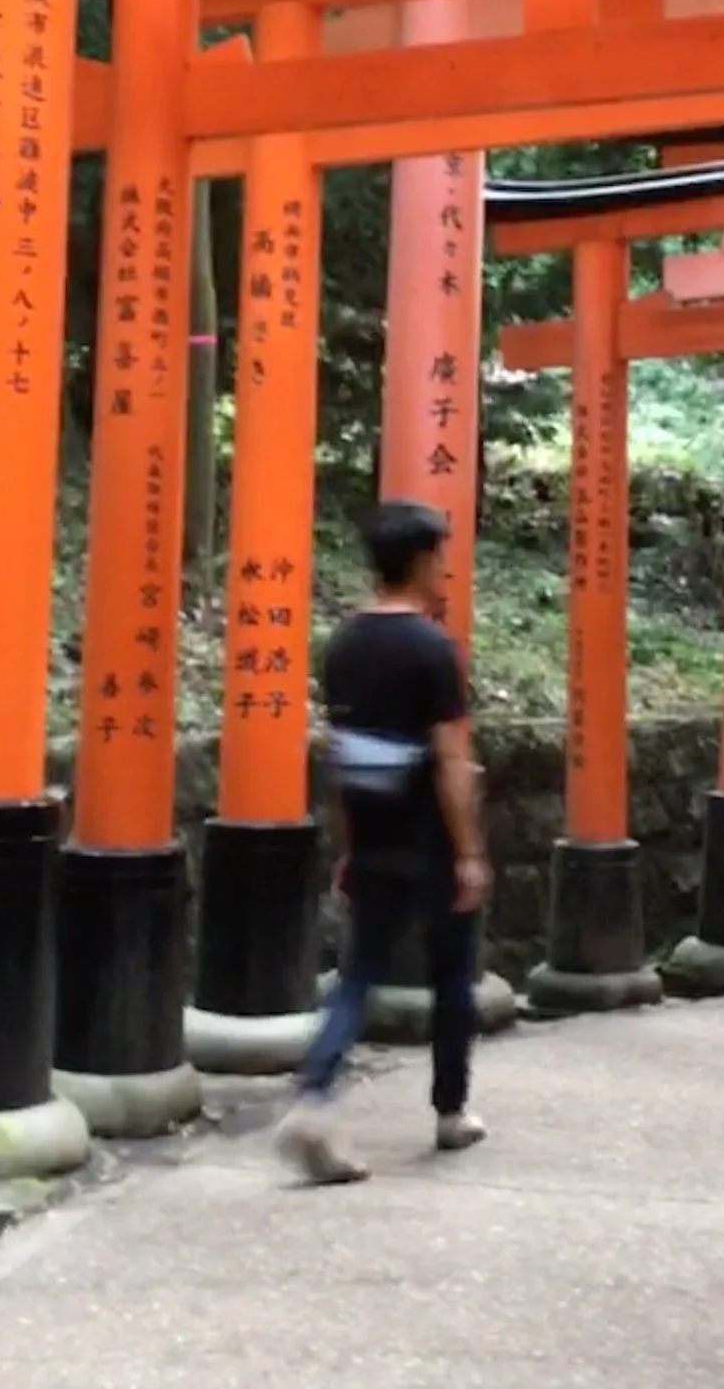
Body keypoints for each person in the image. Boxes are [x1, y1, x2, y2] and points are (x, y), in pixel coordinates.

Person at [276, 499, 492, 1185]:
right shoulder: (433, 649)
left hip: (372, 834)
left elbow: (339, 753)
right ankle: (450, 1111)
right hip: (430, 837)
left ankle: (313, 1096)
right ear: (423, 560)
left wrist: (348, 842)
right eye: (442, 557)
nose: (446, 569)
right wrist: (468, 851)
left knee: (357, 976)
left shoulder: (344, 645)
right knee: (452, 973)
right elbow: (452, 761)